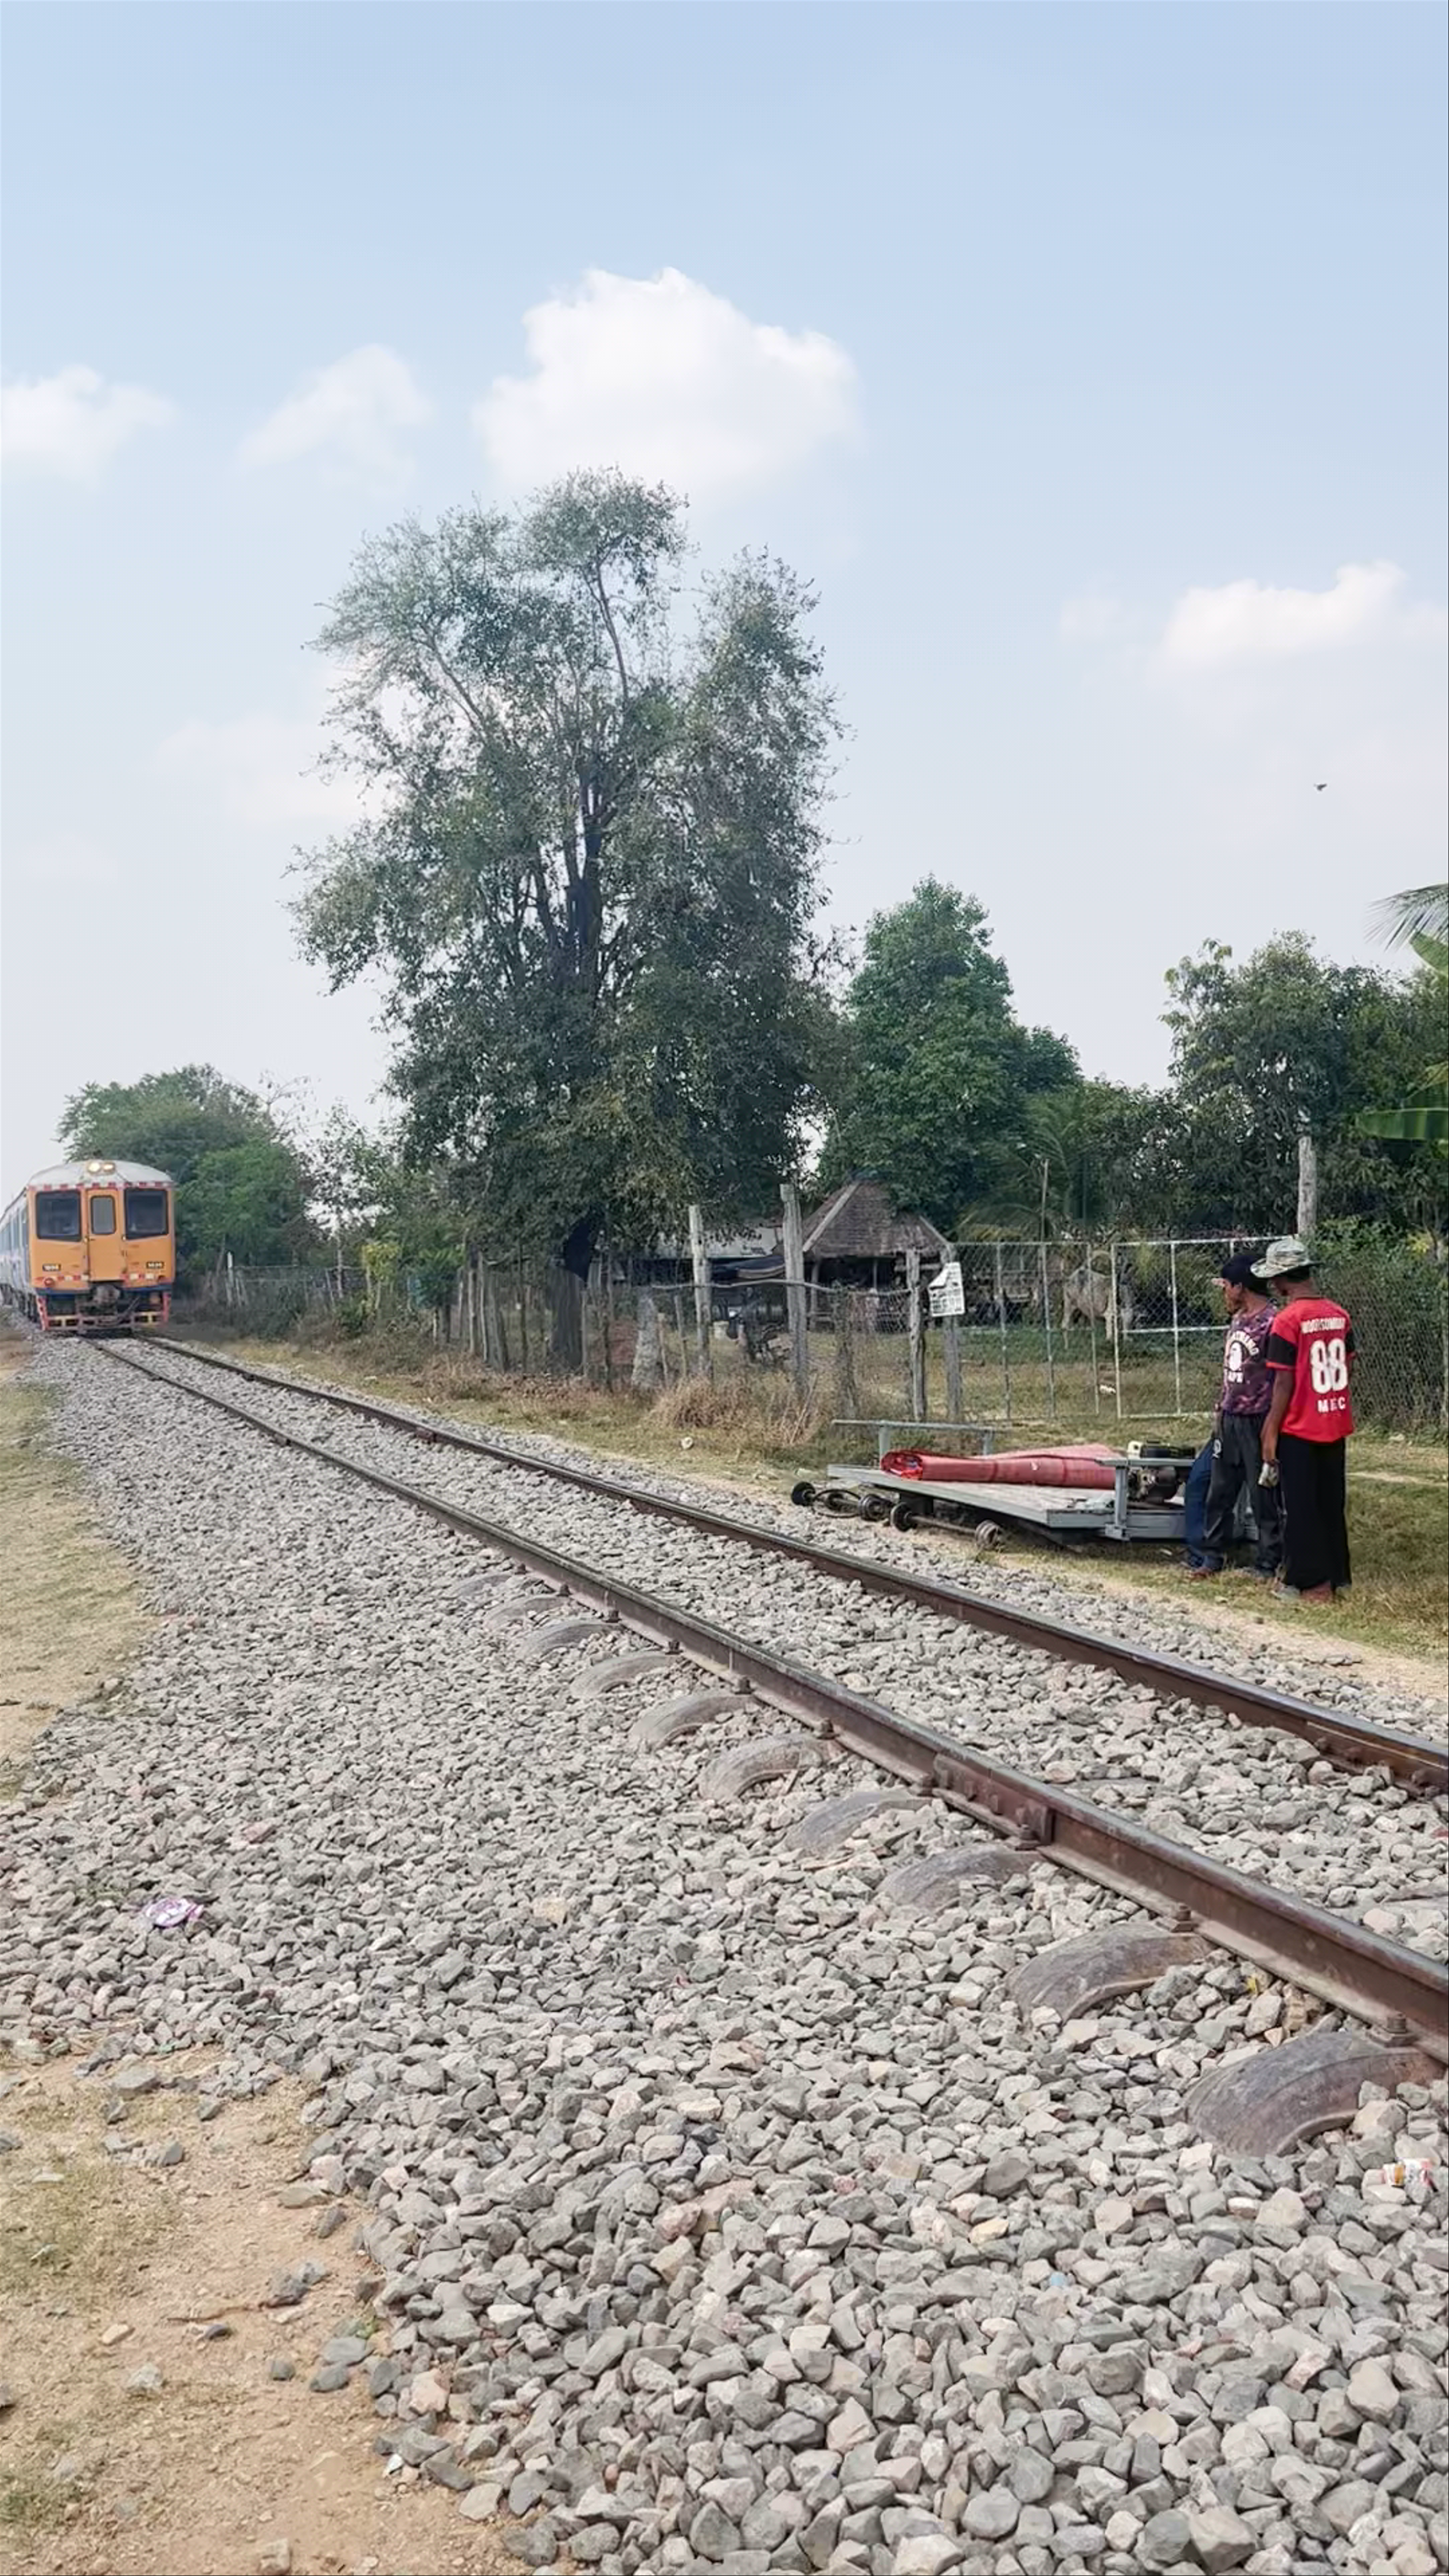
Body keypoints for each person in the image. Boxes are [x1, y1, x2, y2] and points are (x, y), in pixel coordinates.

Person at [1257, 1235, 1355, 1602]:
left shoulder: (1287, 1320)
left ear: (1283, 1279)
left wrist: (1271, 1428)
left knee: (1300, 1505)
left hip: (1299, 1425)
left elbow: (1284, 1381)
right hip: (1334, 1420)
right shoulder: (1339, 1314)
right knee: (1331, 1500)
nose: (1274, 1286)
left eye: (1275, 1279)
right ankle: (1338, 1573)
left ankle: (1311, 1583)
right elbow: (1347, 1363)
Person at [1189, 1253, 1281, 1581]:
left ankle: (1268, 1562)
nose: (1224, 1293)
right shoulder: (1238, 1320)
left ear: (1241, 1287)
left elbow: (1282, 1377)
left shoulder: (1273, 1322)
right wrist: (1220, 1407)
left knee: (1263, 1495)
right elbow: (1230, 1370)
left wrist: (1272, 1425)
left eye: (1227, 1286)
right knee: (1219, 1490)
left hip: (1258, 1419)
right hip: (1230, 1417)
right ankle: (1211, 1557)